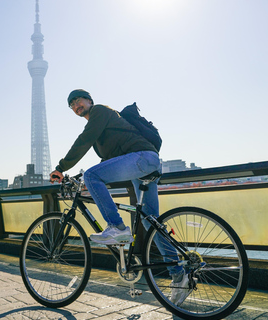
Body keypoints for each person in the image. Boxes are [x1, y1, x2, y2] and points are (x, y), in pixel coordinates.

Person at [49, 89, 190, 305]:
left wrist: (61, 167)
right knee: (150, 221)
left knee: (92, 175)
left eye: (78, 101)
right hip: (145, 163)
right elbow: (110, 160)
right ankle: (179, 274)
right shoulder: (105, 126)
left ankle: (117, 227)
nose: (76, 106)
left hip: (142, 158)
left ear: (89, 101)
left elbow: (84, 140)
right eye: (72, 106)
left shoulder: (99, 111)